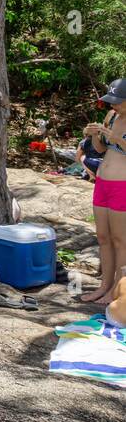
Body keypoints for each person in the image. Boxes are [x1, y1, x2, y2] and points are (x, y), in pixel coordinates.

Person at [82, 78, 126, 304]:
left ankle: (118, 292)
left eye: (118, 102)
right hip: (103, 182)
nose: (114, 106)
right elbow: (99, 149)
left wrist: (116, 138)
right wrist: (93, 134)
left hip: (122, 185)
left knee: (120, 239)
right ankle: (104, 286)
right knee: (103, 237)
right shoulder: (111, 116)